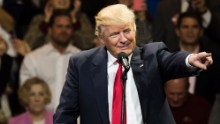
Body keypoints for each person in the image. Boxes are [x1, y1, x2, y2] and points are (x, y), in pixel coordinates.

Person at [53, 4, 213, 124]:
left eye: (127, 31)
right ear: (102, 38)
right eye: (115, 34)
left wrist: (189, 60)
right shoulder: (81, 64)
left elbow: (171, 61)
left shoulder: (151, 55)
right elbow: (66, 114)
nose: (123, 39)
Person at [20, 9, 81, 112]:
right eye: (59, 26)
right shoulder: (33, 59)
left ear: (73, 30)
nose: (64, 31)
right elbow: (26, 95)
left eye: (68, 27)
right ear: (50, 29)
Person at [175, 12, 220, 103]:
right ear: (177, 31)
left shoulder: (214, 62)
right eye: (185, 27)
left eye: (194, 27)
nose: (190, 31)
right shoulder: (167, 59)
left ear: (201, 31)